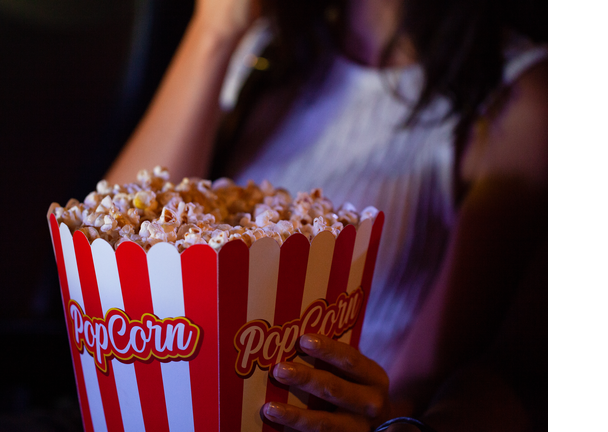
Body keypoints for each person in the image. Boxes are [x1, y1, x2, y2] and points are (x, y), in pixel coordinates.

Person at [107, 0, 547, 431]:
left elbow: (432, 391)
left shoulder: (519, 98)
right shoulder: (269, 50)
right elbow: (109, 260)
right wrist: (215, 31)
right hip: (184, 400)